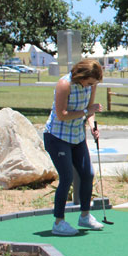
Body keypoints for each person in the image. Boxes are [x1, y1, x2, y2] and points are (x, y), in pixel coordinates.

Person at [43, 59, 105, 236]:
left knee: (88, 174)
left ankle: (84, 216)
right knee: (67, 177)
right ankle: (58, 222)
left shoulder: (91, 86)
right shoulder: (65, 84)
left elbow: (89, 111)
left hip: (77, 136)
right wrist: (87, 112)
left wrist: (92, 125)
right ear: (82, 76)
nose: (91, 86)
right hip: (57, 136)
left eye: (94, 83)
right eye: (91, 82)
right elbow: (62, 115)